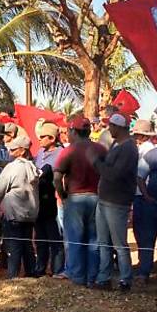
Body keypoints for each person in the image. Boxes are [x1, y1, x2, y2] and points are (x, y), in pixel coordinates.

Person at [54, 116, 104, 287]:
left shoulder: (69, 151)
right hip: (96, 198)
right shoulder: (100, 149)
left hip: (75, 198)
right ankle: (92, 277)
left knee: (74, 240)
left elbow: (57, 176)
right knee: (94, 240)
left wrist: (62, 194)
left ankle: (77, 278)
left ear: (73, 131)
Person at [93, 113, 138, 291]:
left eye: (111, 126)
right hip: (105, 198)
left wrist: (97, 164)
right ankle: (104, 277)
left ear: (118, 127)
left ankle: (125, 279)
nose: (108, 129)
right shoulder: (116, 144)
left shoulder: (128, 148)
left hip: (117, 200)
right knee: (103, 241)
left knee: (119, 243)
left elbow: (115, 174)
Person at [0, 136, 39, 278]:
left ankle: (12, 278)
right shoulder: (32, 166)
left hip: (13, 213)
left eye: (13, 149)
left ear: (22, 151)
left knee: (14, 247)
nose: (9, 150)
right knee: (27, 246)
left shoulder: (12, 167)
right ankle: (31, 274)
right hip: (30, 213)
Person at [131, 119, 157, 283]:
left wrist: (146, 196)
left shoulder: (146, 153)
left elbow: (140, 177)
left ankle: (144, 272)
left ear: (140, 136)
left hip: (145, 200)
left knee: (146, 237)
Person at [33, 120, 64, 277]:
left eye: (43, 136)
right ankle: (40, 268)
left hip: (52, 199)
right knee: (40, 237)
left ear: (52, 138)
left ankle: (57, 269)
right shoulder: (39, 153)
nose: (39, 139)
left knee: (54, 237)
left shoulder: (60, 153)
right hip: (38, 199)